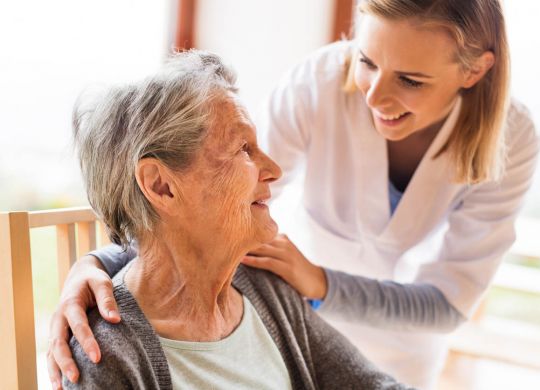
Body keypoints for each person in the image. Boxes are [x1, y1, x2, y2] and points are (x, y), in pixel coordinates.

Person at [48, 0, 538, 389]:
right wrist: (97, 263)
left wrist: (319, 285)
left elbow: (447, 304)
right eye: (365, 61)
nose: (373, 96)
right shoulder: (319, 84)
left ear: (473, 72)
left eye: (410, 80)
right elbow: (200, 203)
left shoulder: (513, 140)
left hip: (377, 339)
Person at [57, 50, 412, 389]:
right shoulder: (104, 355)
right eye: (244, 148)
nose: (274, 170)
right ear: (162, 186)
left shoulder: (264, 286)